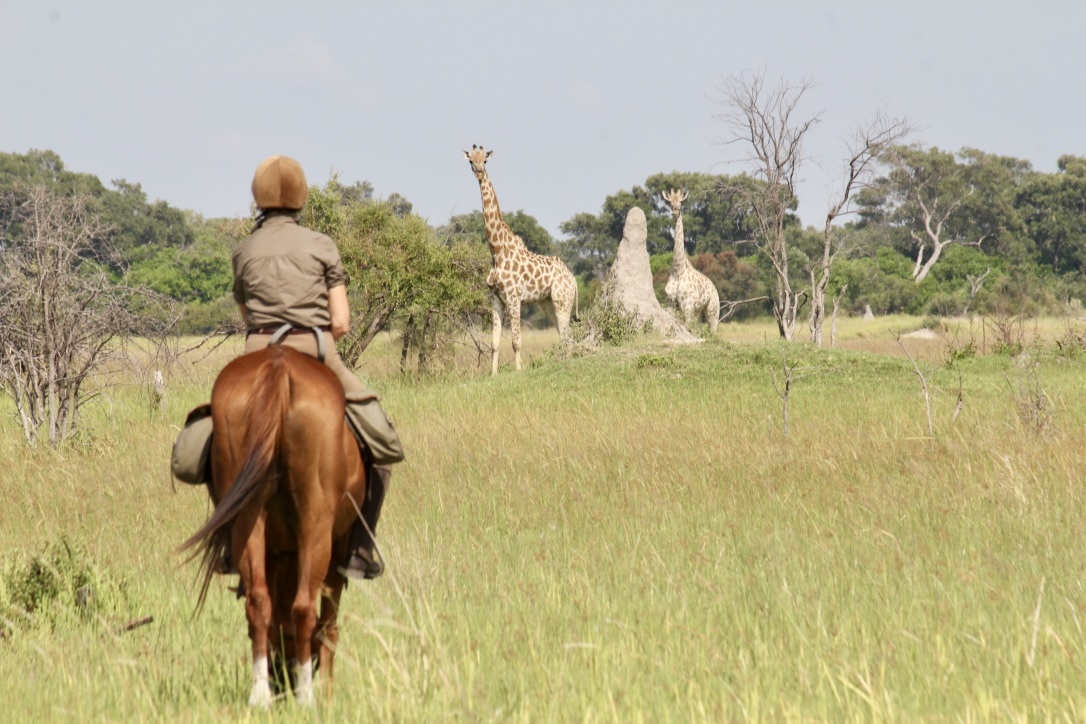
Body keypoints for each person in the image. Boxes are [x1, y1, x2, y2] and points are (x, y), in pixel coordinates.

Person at [230, 154, 403, 579]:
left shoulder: (244, 250)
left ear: (259, 198)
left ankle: (226, 544)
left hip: (255, 354)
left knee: (209, 446)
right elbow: (341, 322)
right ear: (301, 198)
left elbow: (247, 318)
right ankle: (361, 547)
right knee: (382, 444)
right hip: (316, 351)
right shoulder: (322, 245)